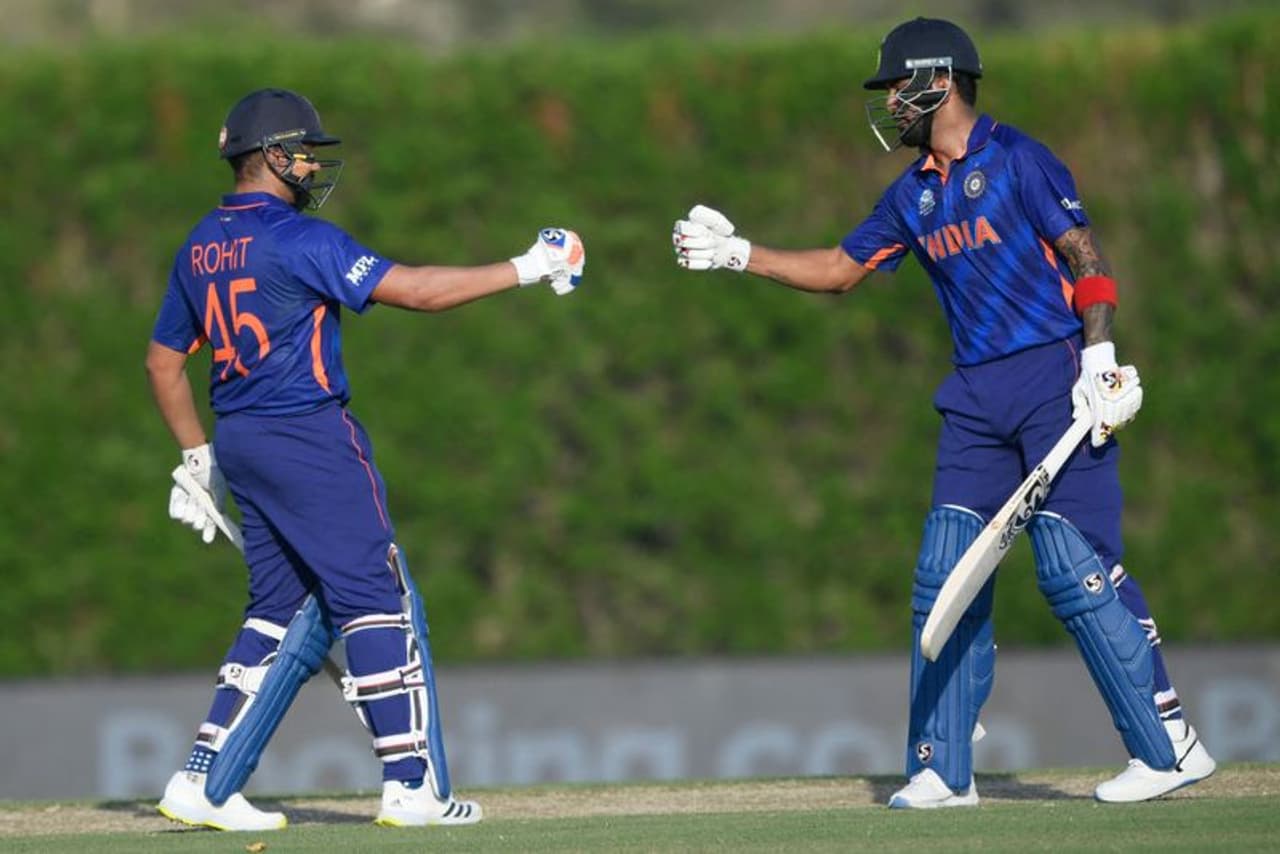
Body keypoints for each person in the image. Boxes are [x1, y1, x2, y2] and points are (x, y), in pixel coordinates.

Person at [672, 17, 1214, 807]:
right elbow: (840, 269)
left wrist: (1100, 357)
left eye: (899, 86)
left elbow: (1088, 261)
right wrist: (736, 253)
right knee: (944, 574)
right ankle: (941, 768)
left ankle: (1169, 748)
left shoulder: (1020, 159)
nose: (891, 102)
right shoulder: (912, 194)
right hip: (975, 400)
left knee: (1075, 565)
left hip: (1055, 379)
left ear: (940, 81)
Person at [146, 87, 584, 831]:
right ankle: (412, 786)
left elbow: (163, 363)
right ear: (271, 155)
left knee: (276, 611)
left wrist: (196, 458)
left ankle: (202, 779)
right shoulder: (300, 239)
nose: (313, 166)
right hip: (311, 438)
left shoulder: (199, 245)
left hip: (242, 438)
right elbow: (418, 291)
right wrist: (528, 266)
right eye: (303, 152)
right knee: (380, 599)